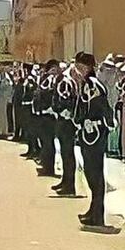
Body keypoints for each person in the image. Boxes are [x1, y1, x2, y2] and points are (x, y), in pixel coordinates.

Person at [72, 52, 112, 228]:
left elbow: (101, 107)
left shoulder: (94, 85)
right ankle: (93, 209)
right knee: (89, 171)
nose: (78, 70)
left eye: (81, 67)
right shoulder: (85, 84)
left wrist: (104, 123)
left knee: (95, 173)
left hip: (95, 132)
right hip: (87, 132)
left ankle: (98, 213)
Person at [51, 63, 79, 196]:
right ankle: (66, 181)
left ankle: (70, 185)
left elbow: (65, 100)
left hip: (66, 122)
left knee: (68, 154)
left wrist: (58, 109)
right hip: (63, 120)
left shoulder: (65, 83)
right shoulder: (63, 82)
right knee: (64, 153)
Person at [34, 61, 60, 177]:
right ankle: (46, 165)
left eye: (55, 69)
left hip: (50, 115)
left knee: (48, 143)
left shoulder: (55, 81)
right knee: (44, 142)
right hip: (42, 114)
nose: (53, 72)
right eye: (51, 69)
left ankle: (49, 168)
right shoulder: (45, 79)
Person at [0, 67, 14, 139]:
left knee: (2, 115)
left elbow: (9, 88)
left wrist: (9, 98)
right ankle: (1, 131)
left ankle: (4, 132)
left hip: (3, 98)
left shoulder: (7, 77)